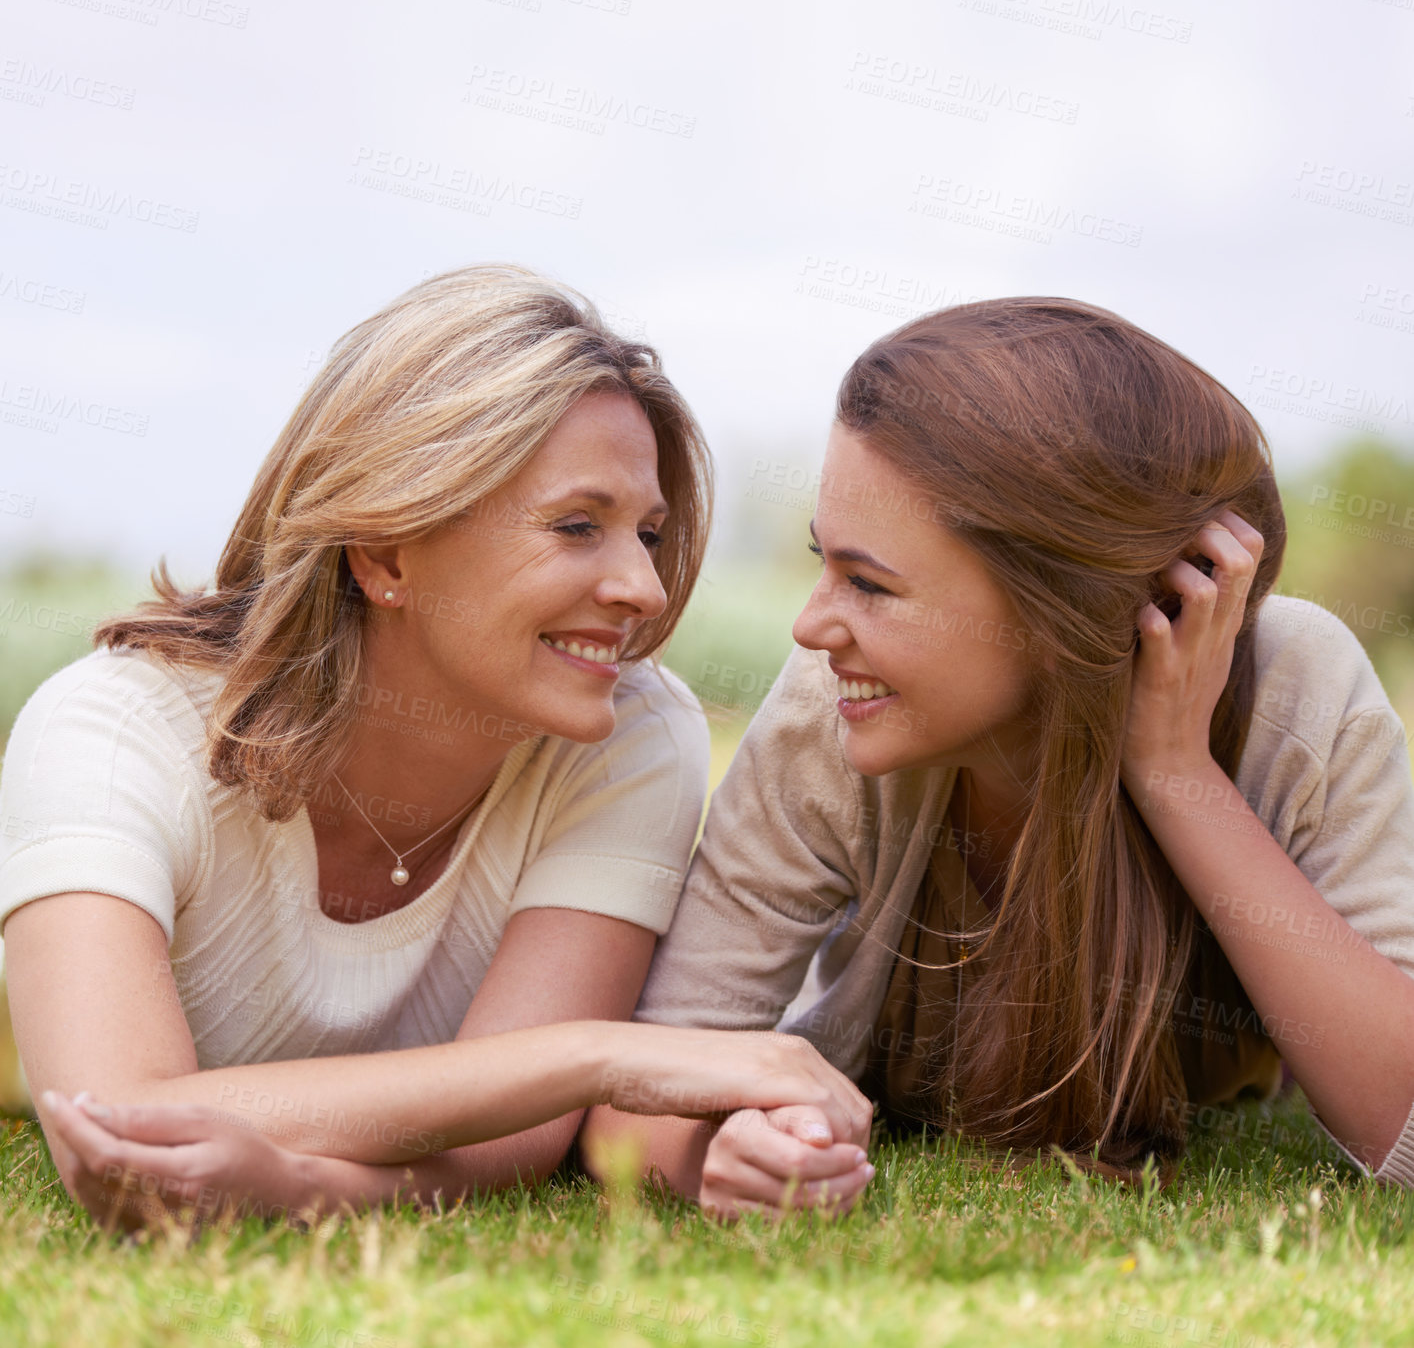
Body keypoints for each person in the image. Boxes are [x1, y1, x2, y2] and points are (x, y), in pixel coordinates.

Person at [0, 265, 871, 1232]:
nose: (644, 589)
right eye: (577, 526)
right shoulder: (113, 729)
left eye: (649, 534)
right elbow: (118, 1122)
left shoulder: (629, 735)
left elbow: (514, 1143)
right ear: (384, 553)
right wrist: (601, 1058)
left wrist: (296, 1189)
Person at [581, 297, 1414, 1220]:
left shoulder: (1297, 690)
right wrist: (714, 1155)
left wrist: (1176, 771)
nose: (811, 624)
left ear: (1055, 604)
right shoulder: (832, 708)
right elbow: (641, 1095)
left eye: (869, 583)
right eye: (824, 562)